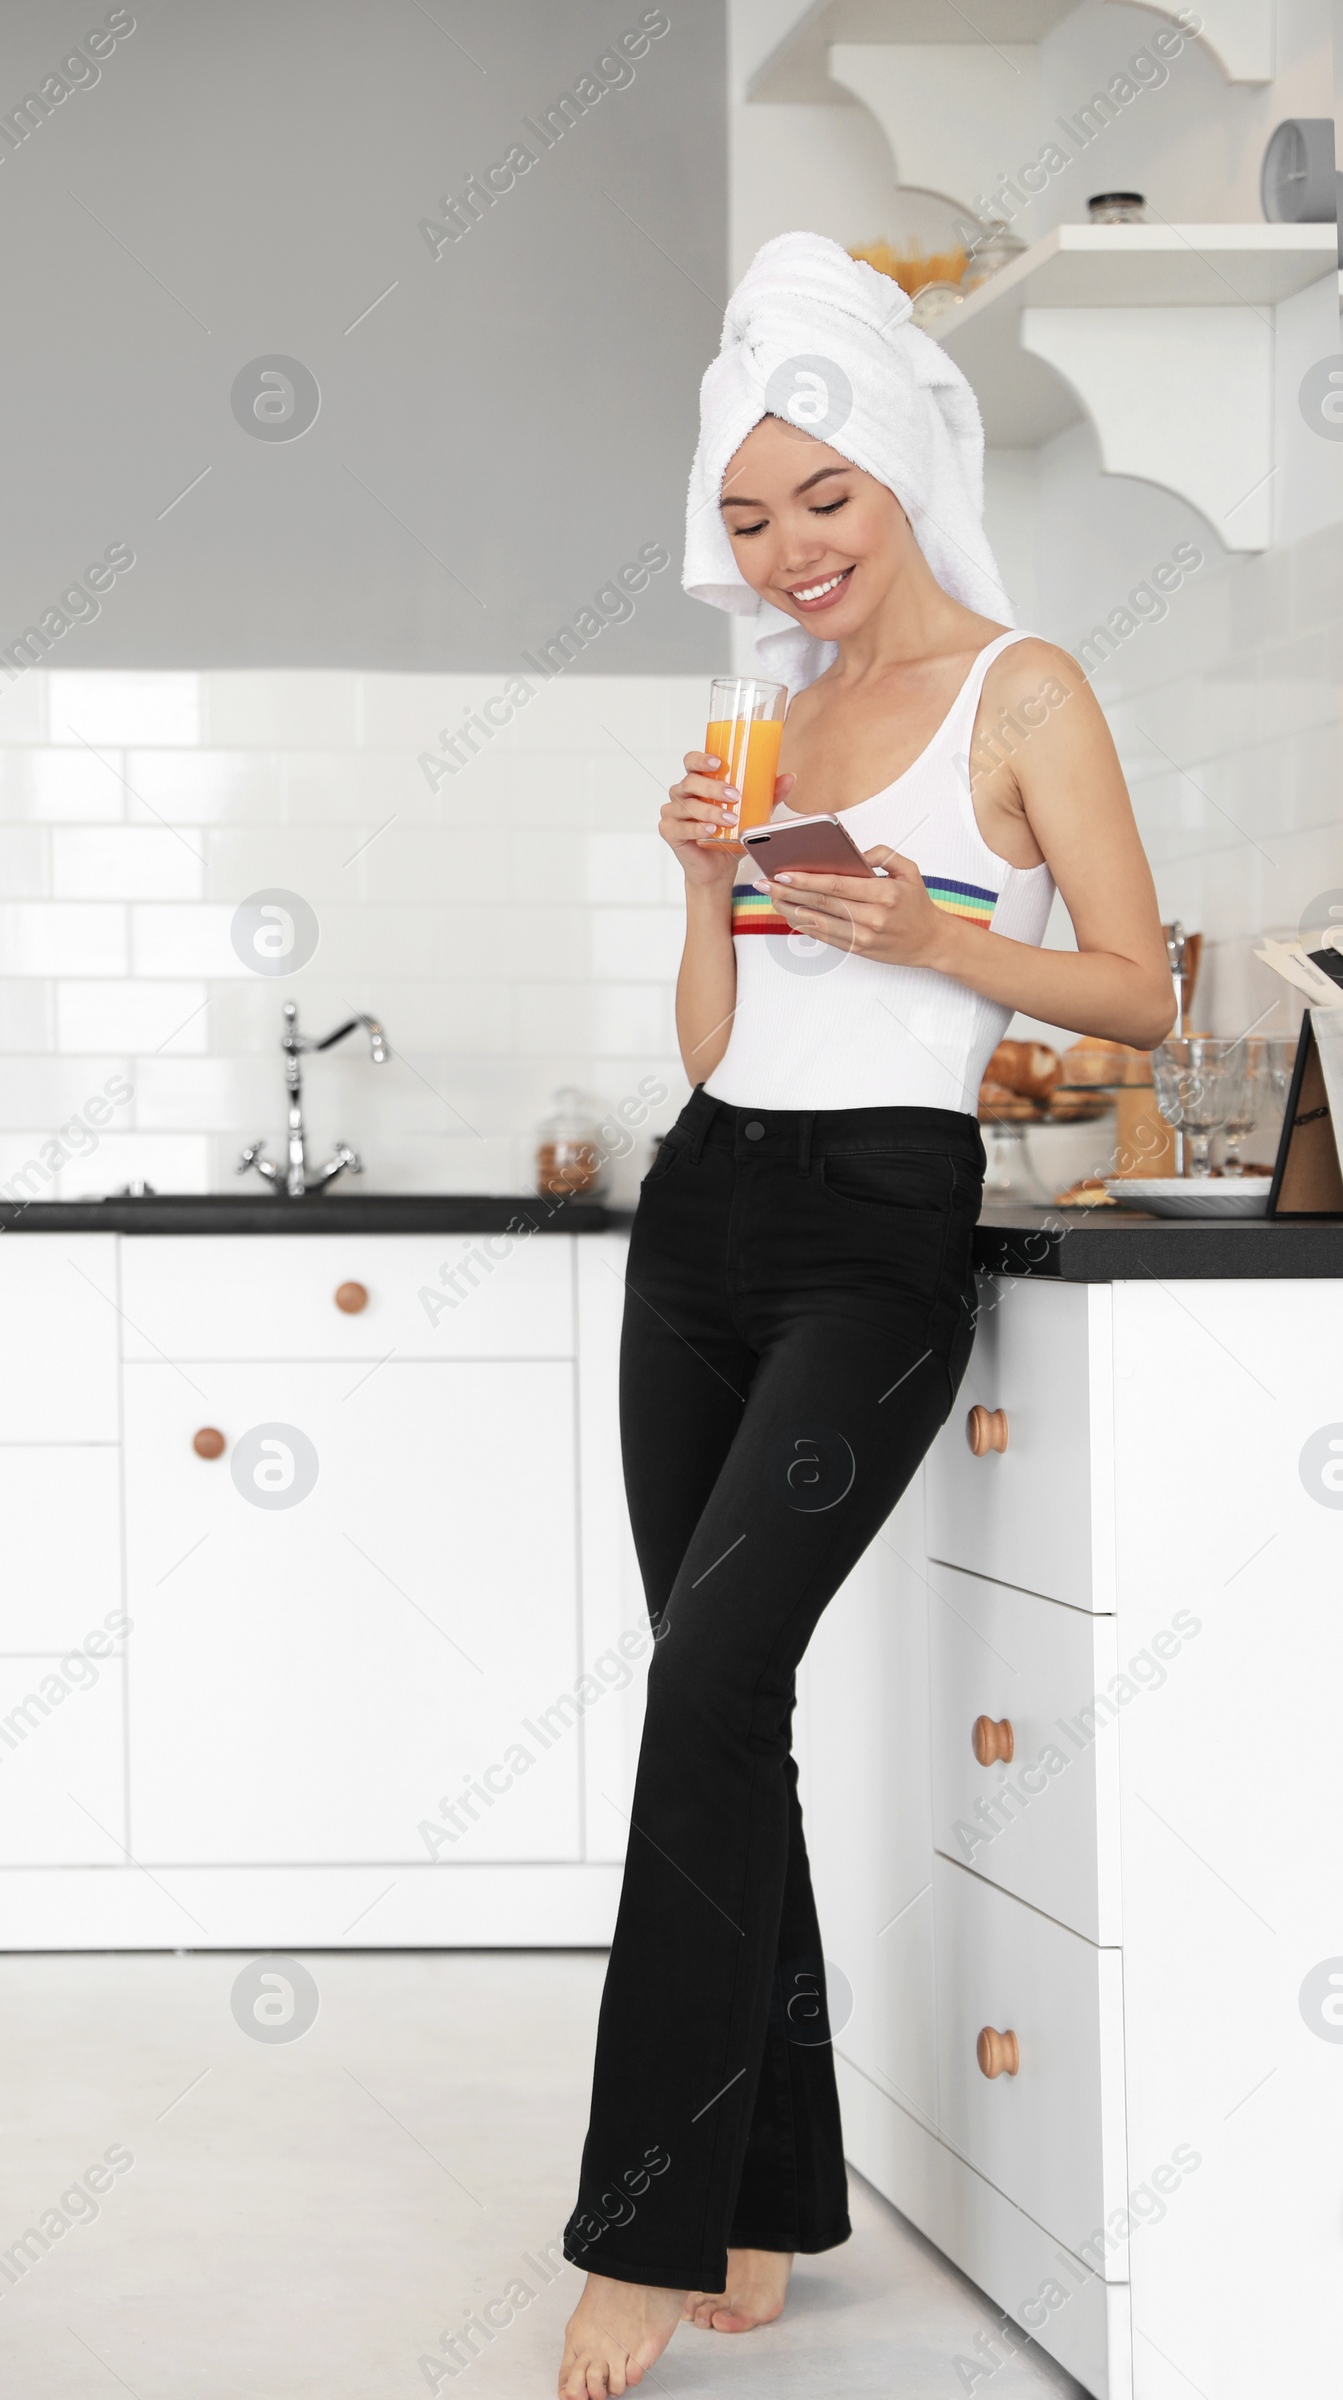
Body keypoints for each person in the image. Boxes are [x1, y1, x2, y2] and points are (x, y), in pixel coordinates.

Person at [557, 233, 1175, 2400]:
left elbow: (1137, 986)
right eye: (743, 512)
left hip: (875, 1232)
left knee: (710, 1676)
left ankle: (638, 2227)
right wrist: (689, 879)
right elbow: (718, 1036)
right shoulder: (764, 707)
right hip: (704, 1209)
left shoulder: (1022, 690)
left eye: (818, 496)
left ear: (905, 464)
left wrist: (926, 931)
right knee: (717, 1701)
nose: (786, 546)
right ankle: (761, 2195)